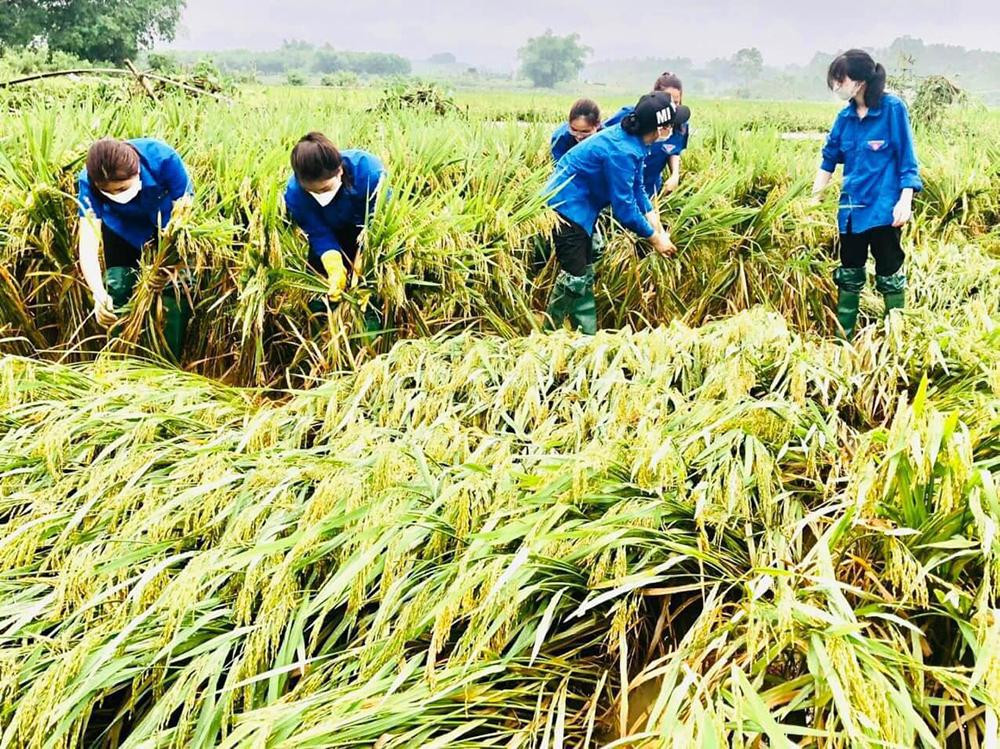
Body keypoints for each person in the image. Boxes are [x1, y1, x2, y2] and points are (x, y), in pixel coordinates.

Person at [544, 92, 690, 334]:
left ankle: (565, 329)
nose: (674, 130)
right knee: (576, 276)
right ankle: (564, 335)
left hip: (583, 207)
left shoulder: (635, 142)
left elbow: (638, 188)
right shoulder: (621, 151)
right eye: (671, 125)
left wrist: (656, 222)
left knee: (584, 269)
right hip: (565, 209)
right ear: (661, 128)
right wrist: (655, 240)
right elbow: (625, 209)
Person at [811, 49, 922, 339]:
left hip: (884, 211)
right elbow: (828, 159)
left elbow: (906, 159)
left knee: (889, 273)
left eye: (841, 79)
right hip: (850, 212)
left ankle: (895, 337)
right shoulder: (844, 118)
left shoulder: (892, 109)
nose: (837, 86)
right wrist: (814, 199)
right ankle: (843, 337)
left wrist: (905, 200)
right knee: (849, 273)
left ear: (860, 80)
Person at [77, 137, 193, 361]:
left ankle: (167, 363)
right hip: (122, 229)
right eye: (108, 191)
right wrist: (98, 293)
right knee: (118, 288)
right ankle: (123, 363)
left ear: (137, 172)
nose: (117, 194)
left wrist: (167, 257)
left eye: (122, 188)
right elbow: (88, 243)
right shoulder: (88, 182)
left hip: (167, 225)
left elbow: (187, 209)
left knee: (175, 287)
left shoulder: (164, 159)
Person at [284, 132, 385, 305]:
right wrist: (334, 266)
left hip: (367, 232)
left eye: (324, 189)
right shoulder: (295, 193)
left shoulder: (368, 171)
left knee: (371, 289)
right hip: (331, 232)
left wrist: (364, 261)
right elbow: (317, 232)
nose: (320, 195)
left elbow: (379, 221)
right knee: (321, 292)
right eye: (313, 191)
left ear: (340, 171)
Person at [604, 72, 690, 199]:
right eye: (669, 102)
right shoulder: (631, 115)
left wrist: (675, 175)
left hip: (650, 191)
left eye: (676, 103)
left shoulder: (680, 124)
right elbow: (603, 137)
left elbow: (673, 149)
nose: (672, 108)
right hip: (619, 186)